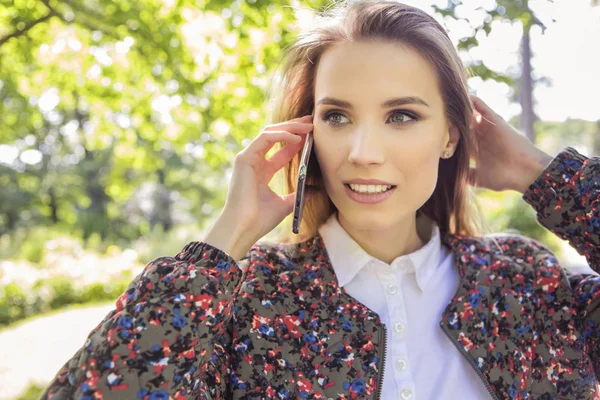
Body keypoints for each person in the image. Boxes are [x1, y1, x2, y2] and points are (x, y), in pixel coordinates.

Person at [41, 1, 600, 399]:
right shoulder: (243, 303)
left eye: (401, 115)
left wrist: (544, 174)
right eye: (337, 116)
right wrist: (223, 242)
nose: (362, 152)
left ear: (451, 135)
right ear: (307, 132)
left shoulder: (528, 280)